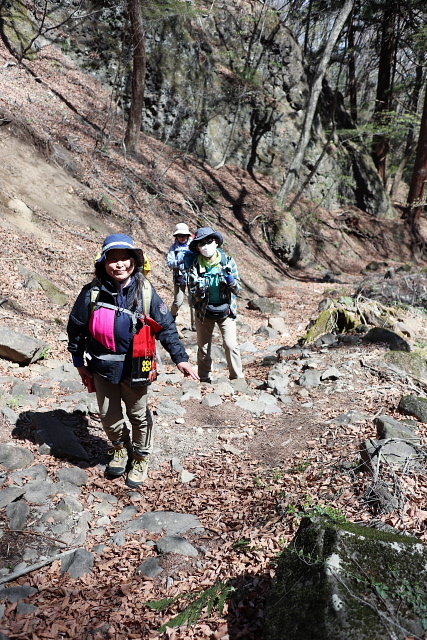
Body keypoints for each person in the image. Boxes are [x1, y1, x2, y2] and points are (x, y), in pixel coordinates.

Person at [67, 233, 199, 488]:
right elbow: (76, 327)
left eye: (124, 259)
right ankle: (120, 448)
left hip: (138, 365)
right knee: (108, 415)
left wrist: (180, 359)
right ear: (103, 263)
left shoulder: (146, 291)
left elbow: (166, 327)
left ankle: (140, 457)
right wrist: (78, 360)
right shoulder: (92, 292)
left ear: (135, 261)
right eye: (112, 259)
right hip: (102, 365)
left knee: (138, 415)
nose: (119, 265)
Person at [186, 227, 244, 383]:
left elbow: (238, 290)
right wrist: (200, 290)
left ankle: (237, 379)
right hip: (204, 313)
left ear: (216, 242)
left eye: (209, 242)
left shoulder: (228, 261)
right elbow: (192, 298)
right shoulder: (195, 266)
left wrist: (230, 279)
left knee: (231, 345)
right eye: (201, 244)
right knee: (204, 348)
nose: (205, 246)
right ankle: (204, 379)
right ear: (197, 248)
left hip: (226, 311)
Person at [167, 223, 195, 328]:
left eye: (184, 235)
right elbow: (169, 263)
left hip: (193, 276)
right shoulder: (174, 248)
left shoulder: (193, 246)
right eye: (179, 235)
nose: (182, 238)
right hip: (179, 276)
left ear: (188, 235)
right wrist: (180, 261)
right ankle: (171, 319)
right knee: (178, 301)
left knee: (193, 301)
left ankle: (195, 326)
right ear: (176, 236)